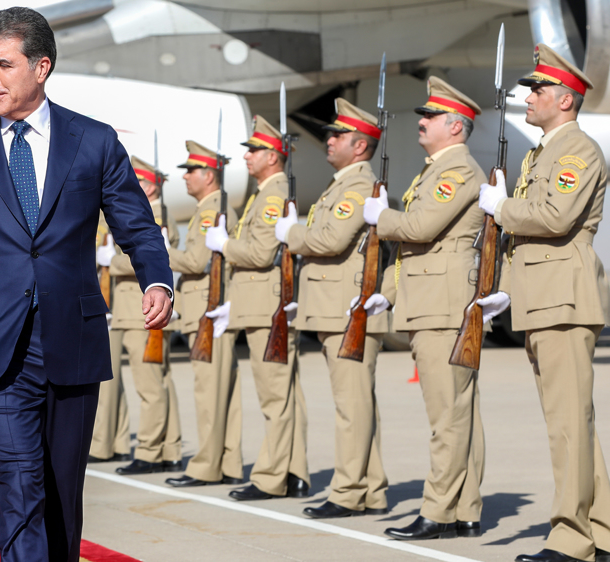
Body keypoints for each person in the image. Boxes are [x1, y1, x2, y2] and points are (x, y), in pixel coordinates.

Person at [0, 8, 173, 561]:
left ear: (42, 67)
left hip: (73, 339)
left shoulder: (94, 141)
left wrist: (158, 281)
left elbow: (136, 225)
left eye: (3, 64)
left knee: (62, 493)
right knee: (19, 488)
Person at [478, 44, 610, 562]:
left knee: (567, 424)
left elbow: (553, 218)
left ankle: (571, 539)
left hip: (563, 299)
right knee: (573, 421)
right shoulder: (542, 153)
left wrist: (503, 207)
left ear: (564, 98)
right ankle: (599, 530)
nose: (528, 97)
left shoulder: (575, 150)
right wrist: (508, 286)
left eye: (537, 89)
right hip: (544, 298)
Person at [363, 77, 487, 540]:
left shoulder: (456, 172)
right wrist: (390, 293)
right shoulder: (434, 170)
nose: (421, 121)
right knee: (458, 413)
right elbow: (419, 254)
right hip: (430, 301)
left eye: (431, 116)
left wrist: (382, 218)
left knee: (446, 417)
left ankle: (437, 512)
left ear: (455, 127)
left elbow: (421, 228)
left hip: (443, 306)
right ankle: (465, 508)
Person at [275, 98, 389, 518]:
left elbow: (329, 241)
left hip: (346, 309)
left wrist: (292, 233)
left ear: (359, 146)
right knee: (357, 405)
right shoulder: (342, 183)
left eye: (338, 135)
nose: (329, 139)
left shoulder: (357, 186)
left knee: (351, 408)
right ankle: (371, 490)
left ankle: (348, 492)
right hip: (334, 308)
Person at [203, 115, 310, 501]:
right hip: (260, 305)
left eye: (255, 150)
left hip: (267, 308)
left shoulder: (273, 193)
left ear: (274, 156)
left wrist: (225, 245)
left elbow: (262, 254)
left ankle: (270, 477)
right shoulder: (264, 192)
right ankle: (295, 472)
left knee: (274, 398)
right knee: (285, 395)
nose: (247, 156)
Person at [164, 141, 243, 488]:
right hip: (203, 310)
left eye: (191, 171)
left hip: (208, 311)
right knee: (219, 390)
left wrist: (162, 252)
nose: (185, 177)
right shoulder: (205, 210)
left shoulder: (213, 211)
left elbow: (196, 262)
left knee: (209, 391)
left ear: (209, 176)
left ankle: (206, 466)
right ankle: (225, 462)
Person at [100, 156, 184, 475]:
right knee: (142, 381)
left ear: (149, 184)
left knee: (149, 384)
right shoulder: (133, 209)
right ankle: (163, 447)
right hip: (122, 308)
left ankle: (151, 451)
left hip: (144, 308)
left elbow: (150, 257)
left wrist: (112, 261)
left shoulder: (157, 214)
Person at [89, 213, 133, 463]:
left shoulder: (110, 219)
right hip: (105, 303)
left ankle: (102, 444)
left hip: (109, 305)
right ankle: (120, 441)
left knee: (105, 380)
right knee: (112, 380)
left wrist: (111, 261)